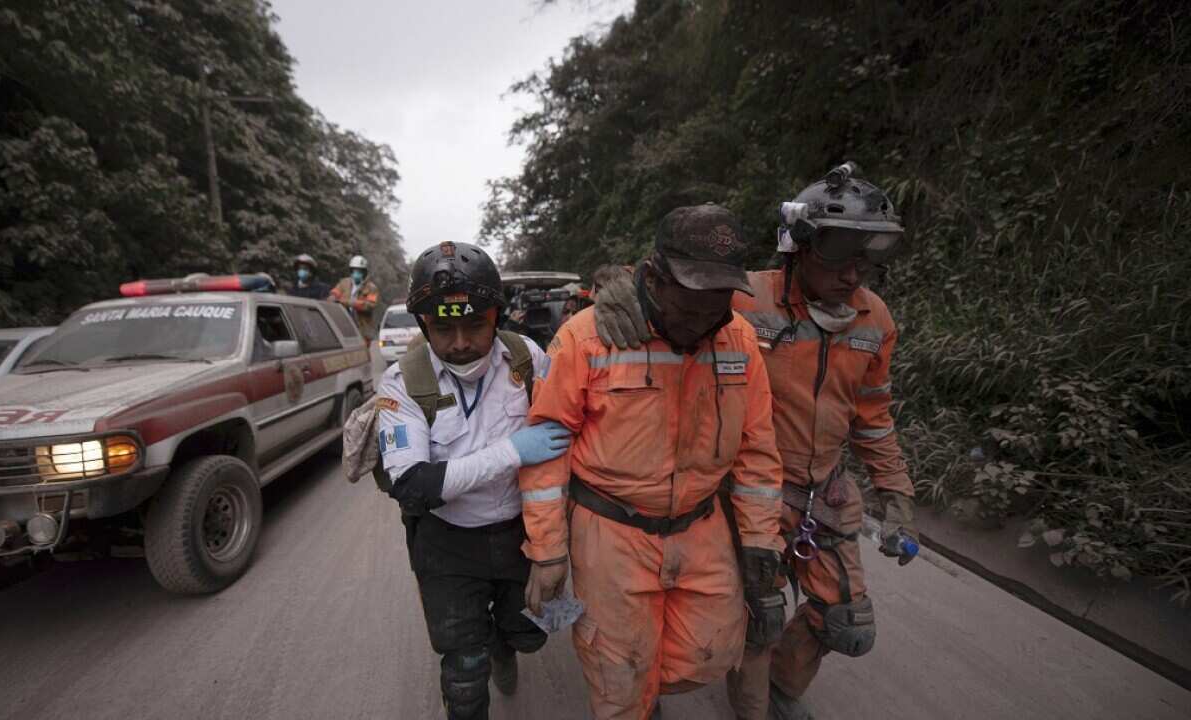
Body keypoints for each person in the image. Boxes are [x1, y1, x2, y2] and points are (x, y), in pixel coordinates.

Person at [591, 164, 920, 720]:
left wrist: (898, 493)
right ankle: (753, 704)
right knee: (759, 612)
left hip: (825, 491)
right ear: (800, 245)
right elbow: (660, 282)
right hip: (742, 488)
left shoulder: (874, 318)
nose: (854, 275)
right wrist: (609, 284)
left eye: (868, 258)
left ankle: (781, 691)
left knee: (845, 621)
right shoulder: (746, 300)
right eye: (840, 253)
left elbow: (874, 416)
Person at [520, 204, 787, 719]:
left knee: (708, 652)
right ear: (656, 278)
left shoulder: (739, 342)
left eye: (720, 297)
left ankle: (646, 690)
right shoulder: (585, 338)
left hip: (701, 524)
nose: (709, 313)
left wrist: (758, 538)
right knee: (620, 676)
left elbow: (756, 452)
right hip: (610, 532)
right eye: (693, 297)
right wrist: (548, 550)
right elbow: (545, 450)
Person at [377, 241, 571, 720]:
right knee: (464, 670)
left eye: (475, 324)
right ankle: (478, 659)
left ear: (497, 317)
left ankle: (503, 648)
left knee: (526, 634)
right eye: (443, 327)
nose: (460, 341)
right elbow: (413, 486)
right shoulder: (401, 385)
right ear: (424, 325)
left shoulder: (527, 358)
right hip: (446, 545)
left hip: (519, 535)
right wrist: (510, 452)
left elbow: (570, 427)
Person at [331, 254, 380, 343]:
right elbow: (333, 295)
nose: (356, 273)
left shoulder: (372, 288)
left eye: (359, 271)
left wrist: (349, 302)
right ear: (351, 271)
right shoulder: (343, 283)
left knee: (363, 353)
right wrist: (333, 299)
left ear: (364, 272)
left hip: (363, 329)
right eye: (354, 270)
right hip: (344, 326)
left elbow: (369, 305)